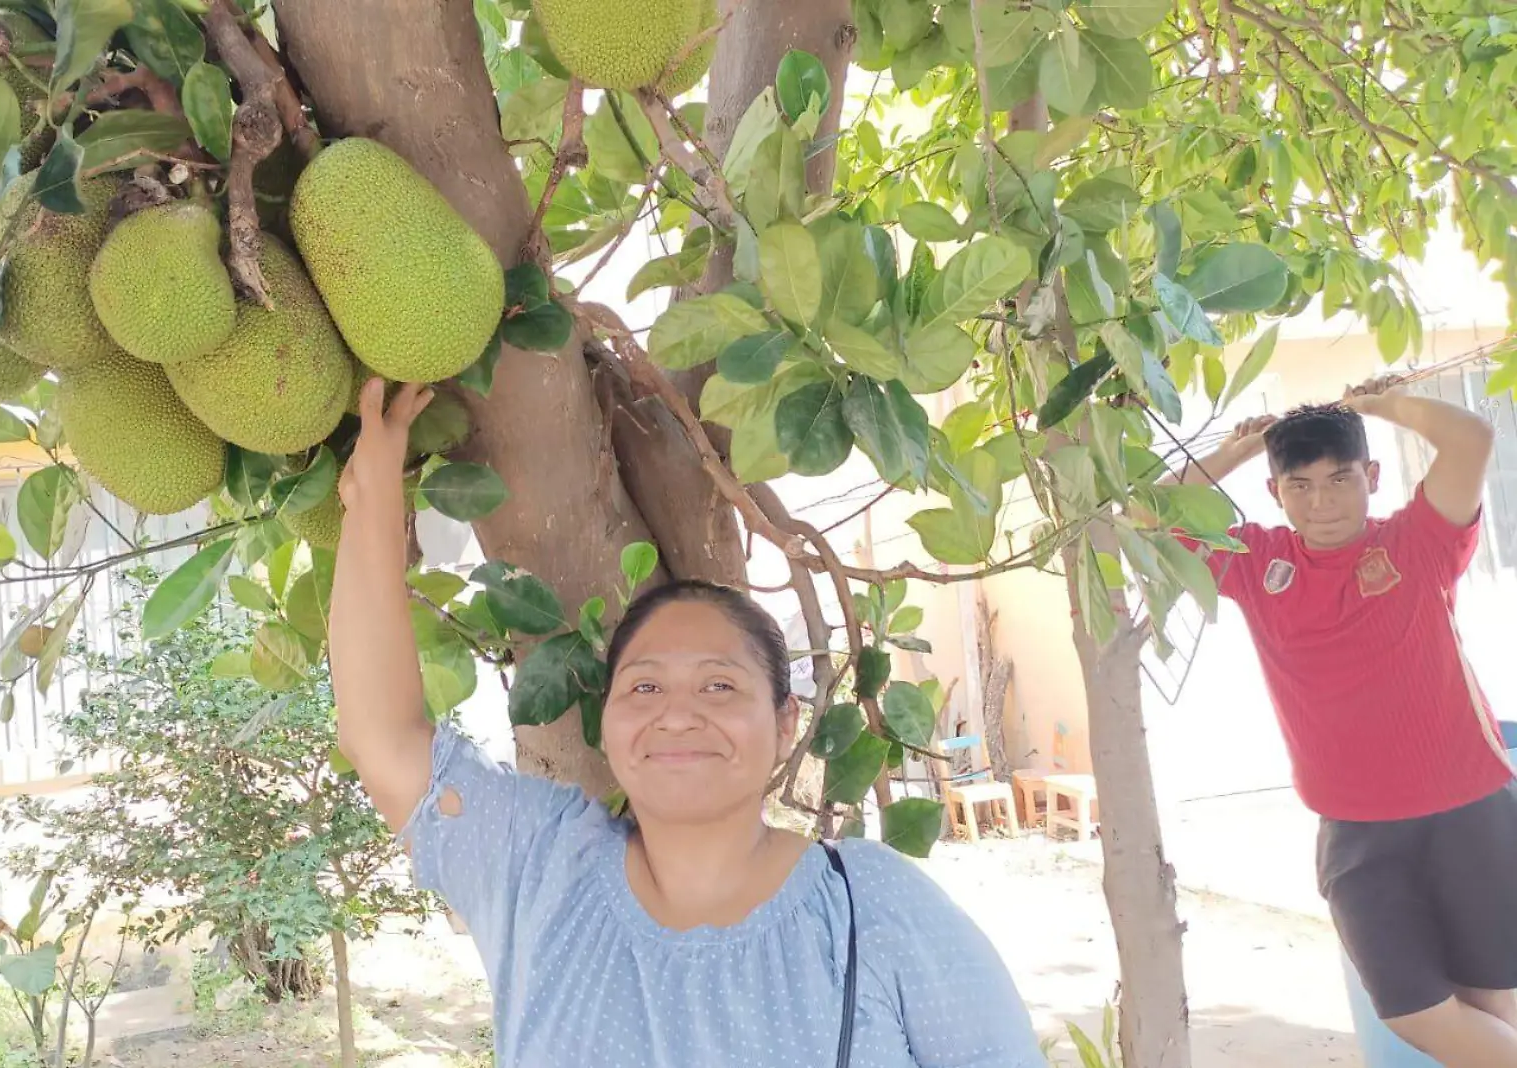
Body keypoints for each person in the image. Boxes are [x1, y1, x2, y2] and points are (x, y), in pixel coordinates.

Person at [329, 379, 1045, 1068]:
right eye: (644, 685)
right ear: (607, 723)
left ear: (785, 721)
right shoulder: (537, 870)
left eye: (719, 684)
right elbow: (384, 739)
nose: (677, 713)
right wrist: (373, 498)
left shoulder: (872, 907)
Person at [1165, 374, 1511, 1067]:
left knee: (1494, 1011)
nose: (1321, 503)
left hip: (1467, 807)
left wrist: (1377, 406)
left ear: (1372, 476)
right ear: (1275, 493)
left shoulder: (1420, 541)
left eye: (1340, 480)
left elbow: (1472, 438)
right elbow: (1157, 516)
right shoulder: (1257, 562)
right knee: (1415, 1012)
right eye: (1300, 486)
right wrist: (1242, 447)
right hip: (1355, 831)